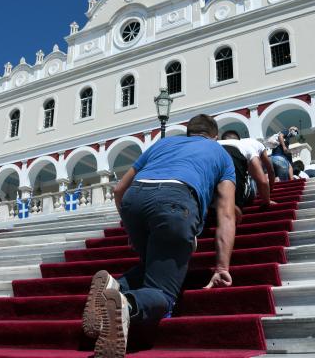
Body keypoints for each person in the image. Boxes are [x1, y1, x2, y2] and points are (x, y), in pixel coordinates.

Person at [82, 114, 236, 357]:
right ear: (214, 137)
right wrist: (221, 266)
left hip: (135, 198)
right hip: (177, 202)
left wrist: (131, 228)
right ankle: (127, 304)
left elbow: (120, 189)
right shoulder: (220, 154)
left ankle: (115, 286)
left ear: (189, 133)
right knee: (163, 291)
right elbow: (227, 214)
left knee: (154, 264)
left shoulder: (163, 144)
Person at [218, 130, 275, 212]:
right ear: (239, 139)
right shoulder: (246, 145)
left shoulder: (214, 145)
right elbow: (264, 179)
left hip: (213, 194)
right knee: (251, 176)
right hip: (237, 193)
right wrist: (267, 201)